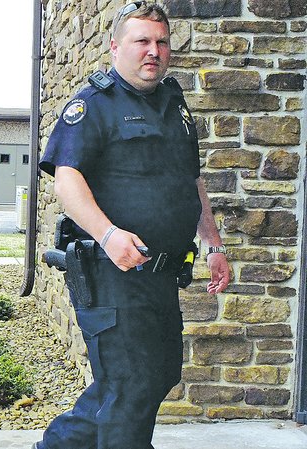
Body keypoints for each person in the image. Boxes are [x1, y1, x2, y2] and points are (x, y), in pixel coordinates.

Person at [33, 2, 230, 448]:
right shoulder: (94, 104)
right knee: (129, 385)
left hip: (160, 274)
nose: (153, 51)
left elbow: (191, 180)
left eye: (161, 42)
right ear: (115, 46)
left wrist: (213, 244)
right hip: (112, 273)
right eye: (142, 41)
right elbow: (67, 177)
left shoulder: (174, 104)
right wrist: (107, 234)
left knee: (156, 375)